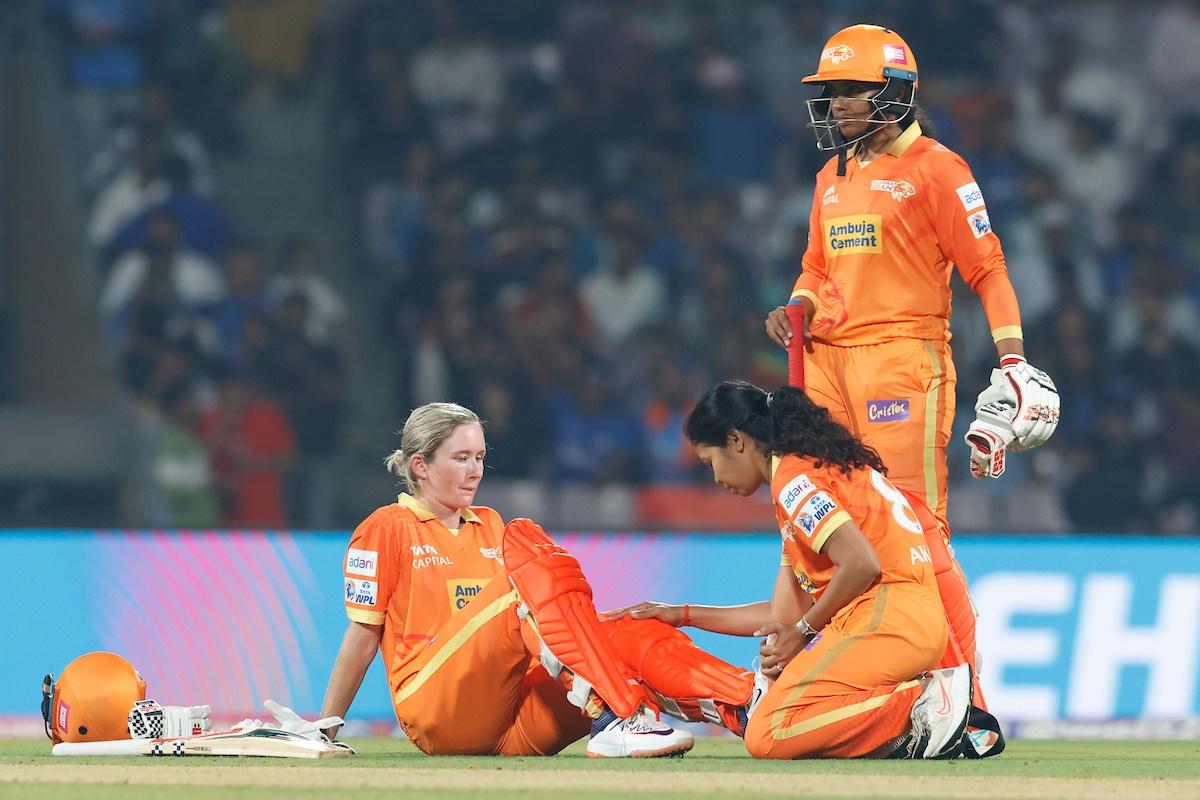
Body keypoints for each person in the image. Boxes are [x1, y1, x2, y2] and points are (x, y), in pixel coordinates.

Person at [762, 24, 1060, 697]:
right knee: (819, 517)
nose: (836, 104)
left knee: (914, 523)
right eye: (830, 91)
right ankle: (834, 678)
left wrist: (1012, 360)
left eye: (850, 90)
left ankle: (967, 694)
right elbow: (816, 267)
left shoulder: (938, 168)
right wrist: (795, 306)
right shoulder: (831, 174)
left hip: (903, 362)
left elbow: (988, 269)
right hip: (825, 362)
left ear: (894, 93)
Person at [316, 402, 734, 758]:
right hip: (437, 710)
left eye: (479, 457)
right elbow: (363, 634)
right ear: (419, 466)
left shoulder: (489, 524)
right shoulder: (387, 527)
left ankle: (746, 702)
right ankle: (617, 715)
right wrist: (325, 729)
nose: (475, 471)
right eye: (461, 458)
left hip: (511, 715)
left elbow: (534, 630)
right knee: (526, 559)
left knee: (625, 634)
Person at [610, 380, 975, 759]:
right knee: (777, 722)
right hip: (903, 618)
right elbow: (780, 614)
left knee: (769, 731)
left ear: (737, 441)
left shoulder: (793, 481)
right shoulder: (808, 471)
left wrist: (803, 632)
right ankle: (918, 715)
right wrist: (682, 614)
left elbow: (861, 564)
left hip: (887, 619)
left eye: (709, 462)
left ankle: (925, 706)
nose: (716, 478)